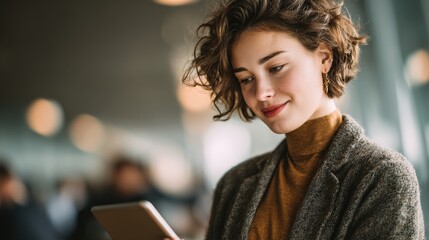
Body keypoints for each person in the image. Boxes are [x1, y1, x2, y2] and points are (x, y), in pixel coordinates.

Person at [181, 0, 425, 239]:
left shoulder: (381, 175)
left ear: (324, 58)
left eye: (276, 68)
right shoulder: (233, 184)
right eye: (246, 79)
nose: (261, 92)